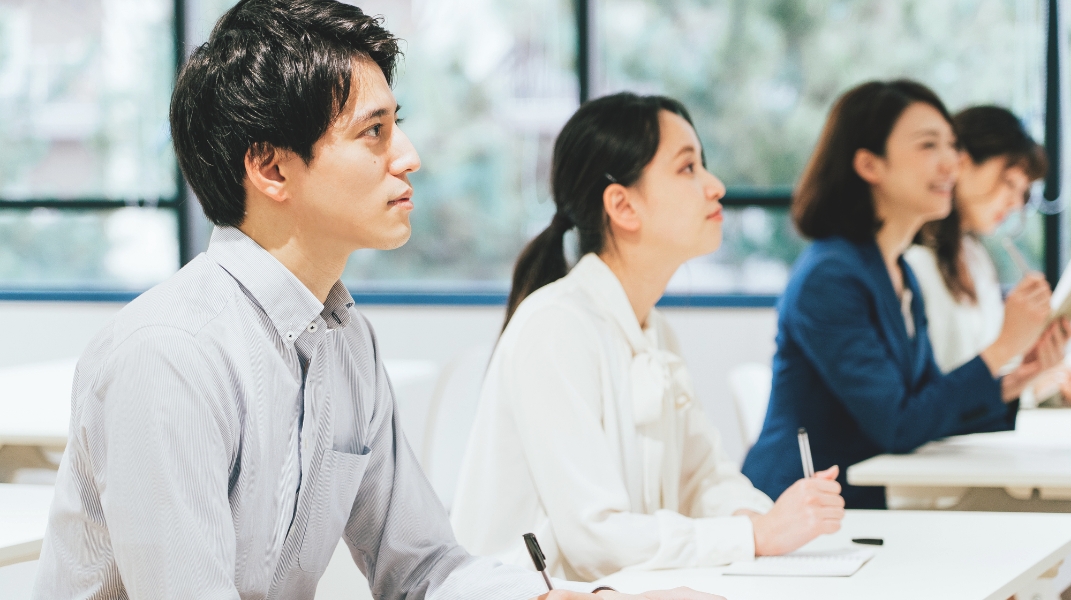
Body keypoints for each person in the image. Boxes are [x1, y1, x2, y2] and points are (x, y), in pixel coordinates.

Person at [32, 2, 725, 599]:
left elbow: (423, 569)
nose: (409, 155)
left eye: (398, 124)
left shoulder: (342, 338)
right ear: (272, 167)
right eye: (375, 132)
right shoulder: (171, 355)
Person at [450, 92, 845, 583]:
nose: (715, 186)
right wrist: (754, 538)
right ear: (623, 205)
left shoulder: (655, 329)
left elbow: (705, 478)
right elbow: (595, 540)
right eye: (687, 169)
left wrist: (763, 522)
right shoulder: (555, 327)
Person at [741, 80, 1070, 510]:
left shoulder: (894, 271)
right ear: (869, 164)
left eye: (952, 146)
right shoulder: (831, 277)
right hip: (798, 513)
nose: (951, 162)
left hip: (860, 506)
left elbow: (928, 404)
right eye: (929, 145)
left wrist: (1016, 380)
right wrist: (1005, 346)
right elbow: (898, 423)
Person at [905, 106, 1070, 404]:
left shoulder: (975, 258)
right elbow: (927, 400)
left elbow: (983, 384)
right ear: (962, 163)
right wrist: (1009, 346)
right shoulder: (912, 261)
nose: (1015, 204)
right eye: (1009, 183)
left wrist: (1034, 371)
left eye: (1023, 193)